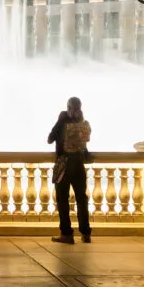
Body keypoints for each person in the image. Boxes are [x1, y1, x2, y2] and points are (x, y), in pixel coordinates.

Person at [48, 97, 92, 244]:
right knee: (81, 198)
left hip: (64, 165)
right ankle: (85, 233)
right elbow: (84, 145)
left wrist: (60, 121)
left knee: (63, 200)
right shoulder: (84, 124)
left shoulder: (64, 122)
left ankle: (67, 234)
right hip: (78, 164)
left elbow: (50, 139)